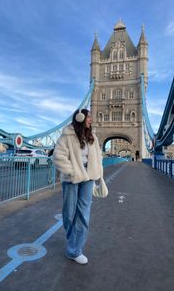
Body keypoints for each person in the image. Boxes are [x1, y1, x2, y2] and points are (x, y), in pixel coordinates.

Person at [53, 108, 103, 265]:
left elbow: (98, 157)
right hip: (72, 179)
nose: (91, 119)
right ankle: (72, 240)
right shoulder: (67, 136)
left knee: (83, 213)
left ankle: (74, 250)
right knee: (69, 213)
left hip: (88, 178)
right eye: (89, 117)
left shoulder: (92, 136)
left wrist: (97, 172)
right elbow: (58, 157)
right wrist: (73, 171)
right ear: (80, 118)